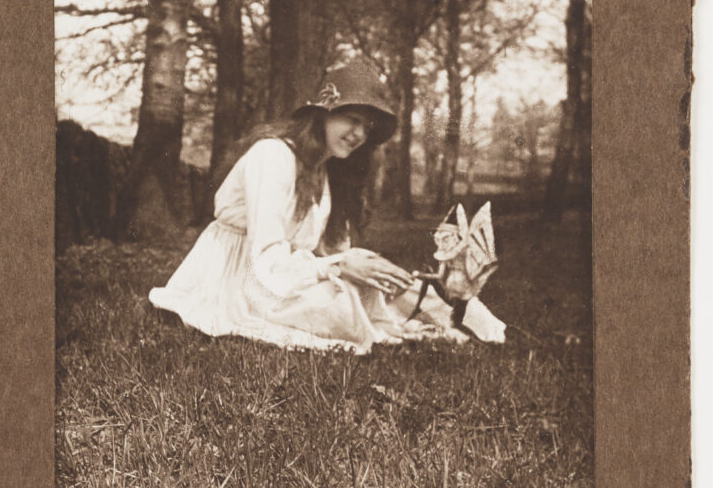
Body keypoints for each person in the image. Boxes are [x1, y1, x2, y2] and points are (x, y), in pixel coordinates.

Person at [149, 62, 505, 353]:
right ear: (321, 114)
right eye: (351, 119)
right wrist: (340, 266)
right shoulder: (273, 155)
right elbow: (267, 260)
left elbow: (334, 253)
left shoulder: (324, 171)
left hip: (289, 274)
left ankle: (456, 317)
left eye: (366, 128)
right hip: (241, 277)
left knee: (381, 289)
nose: (359, 135)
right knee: (342, 300)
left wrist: (375, 271)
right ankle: (413, 330)